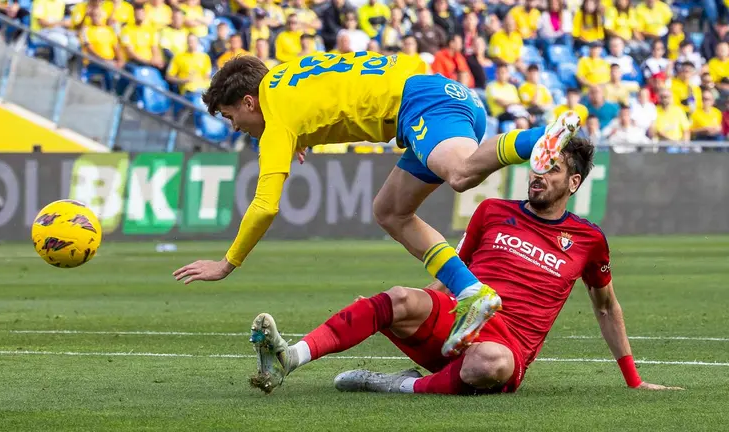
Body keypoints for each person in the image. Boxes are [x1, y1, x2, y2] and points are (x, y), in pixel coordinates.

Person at [173, 53, 581, 358]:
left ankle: (537, 141)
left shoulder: (275, 117)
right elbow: (336, 94)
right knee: (390, 211)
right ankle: (471, 291)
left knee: (459, 174)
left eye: (231, 117)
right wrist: (300, 138)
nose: (235, 127)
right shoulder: (285, 77)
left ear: (248, 101)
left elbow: (265, 207)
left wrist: (227, 263)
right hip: (434, 92)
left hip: (423, 103)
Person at [247, 138, 683, 394]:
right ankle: (289, 357)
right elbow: (452, 270)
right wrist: (420, 311)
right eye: (537, 166)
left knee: (488, 364)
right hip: (458, 321)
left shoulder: (589, 240)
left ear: (573, 183)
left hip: (505, 347)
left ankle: (392, 384)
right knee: (398, 297)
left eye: (551, 170)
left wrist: (633, 380)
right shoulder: (492, 210)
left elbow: (606, 307)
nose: (538, 174)